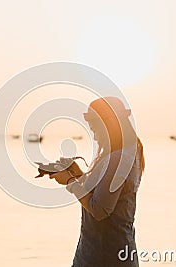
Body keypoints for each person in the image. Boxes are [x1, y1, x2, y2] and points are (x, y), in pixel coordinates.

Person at [50, 97, 145, 267]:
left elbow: (100, 209)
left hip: (106, 256)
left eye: (95, 130)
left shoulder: (120, 157)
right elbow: (100, 192)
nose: (94, 137)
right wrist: (77, 172)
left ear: (109, 125)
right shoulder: (121, 153)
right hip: (101, 252)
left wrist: (70, 181)